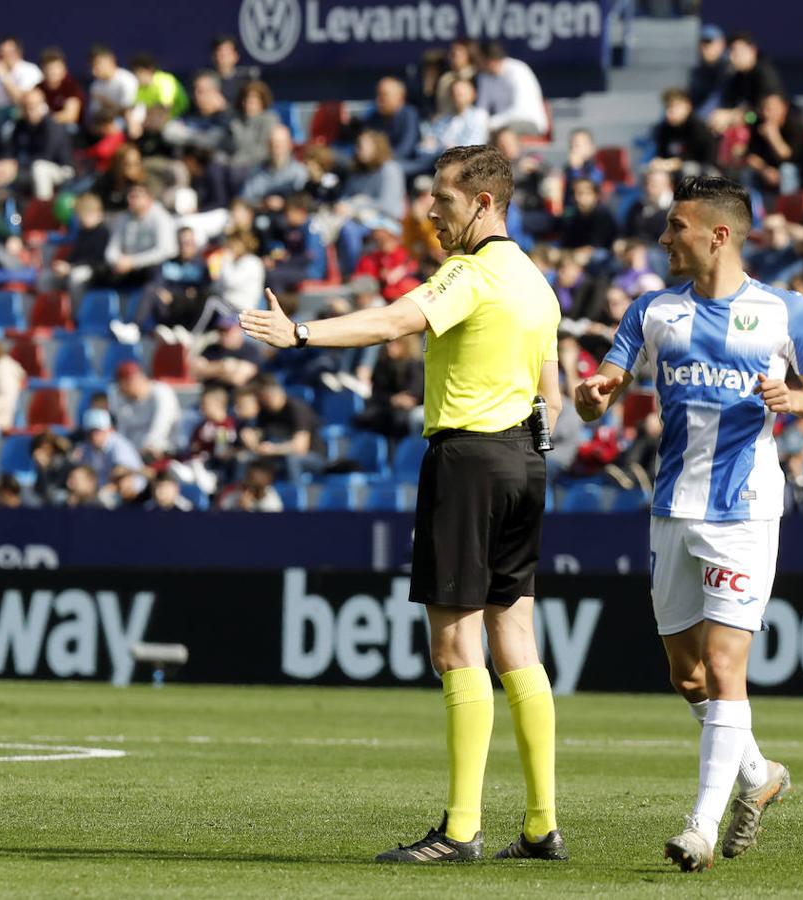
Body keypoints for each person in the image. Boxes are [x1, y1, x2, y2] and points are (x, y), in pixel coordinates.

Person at [242, 144, 566, 864]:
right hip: (525, 460)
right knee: (516, 639)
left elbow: (394, 321)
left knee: (456, 647)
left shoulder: (470, 273)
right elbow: (556, 397)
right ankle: (542, 825)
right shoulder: (538, 286)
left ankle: (458, 830)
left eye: (442, 200)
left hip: (470, 459)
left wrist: (300, 332)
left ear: (483, 203)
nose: (429, 211)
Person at [573, 175, 803, 871]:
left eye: (675, 226)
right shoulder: (652, 310)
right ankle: (759, 776)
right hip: (671, 509)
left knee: (724, 669)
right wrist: (595, 394)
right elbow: (606, 384)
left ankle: (699, 826)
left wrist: (794, 398)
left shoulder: (787, 312)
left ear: (717, 234)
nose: (664, 238)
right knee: (686, 677)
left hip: (744, 511)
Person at [474, 42, 548, 137]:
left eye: (479, 60)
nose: (476, 64)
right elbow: (481, 109)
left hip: (530, 123)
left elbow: (520, 110)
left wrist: (490, 123)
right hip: (502, 127)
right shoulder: (484, 77)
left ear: (489, 60)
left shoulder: (518, 70)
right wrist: (477, 123)